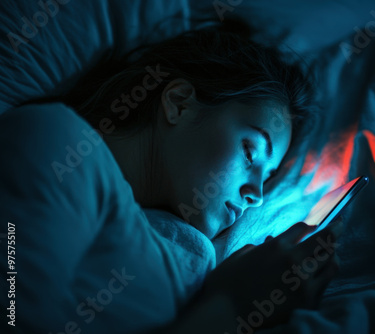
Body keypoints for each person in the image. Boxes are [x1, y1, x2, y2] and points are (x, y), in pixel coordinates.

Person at [61, 20, 342, 333]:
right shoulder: (52, 143)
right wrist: (234, 306)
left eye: (269, 175)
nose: (257, 195)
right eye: (250, 153)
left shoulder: (185, 247)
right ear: (179, 103)